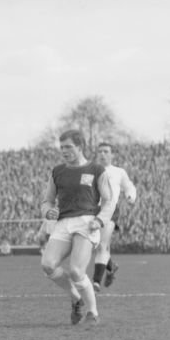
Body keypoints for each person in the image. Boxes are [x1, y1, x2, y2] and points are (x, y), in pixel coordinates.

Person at [39, 129, 116, 328]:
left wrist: (99, 220)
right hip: (63, 223)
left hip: (87, 222)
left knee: (75, 270)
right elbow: (47, 201)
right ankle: (75, 298)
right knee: (48, 265)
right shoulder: (57, 172)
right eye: (61, 147)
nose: (64, 151)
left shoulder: (97, 170)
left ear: (80, 147)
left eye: (68, 147)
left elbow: (109, 201)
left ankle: (92, 311)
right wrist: (48, 212)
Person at [91, 142, 137, 291]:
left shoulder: (119, 172)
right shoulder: (90, 170)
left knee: (102, 245)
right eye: (100, 151)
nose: (103, 154)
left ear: (112, 154)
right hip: (92, 210)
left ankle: (96, 281)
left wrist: (130, 196)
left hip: (110, 210)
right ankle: (111, 267)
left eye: (106, 151)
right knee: (95, 244)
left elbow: (129, 186)